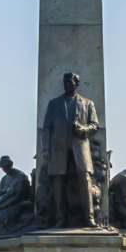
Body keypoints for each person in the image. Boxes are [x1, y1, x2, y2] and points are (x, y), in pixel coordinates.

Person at [37, 71, 102, 228]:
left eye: (70, 82)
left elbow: (95, 125)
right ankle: (60, 219)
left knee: (85, 181)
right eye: (65, 82)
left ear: (76, 84)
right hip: (58, 148)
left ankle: (89, 218)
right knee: (58, 183)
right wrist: (45, 148)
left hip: (80, 147)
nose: (67, 84)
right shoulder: (54, 104)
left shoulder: (87, 103)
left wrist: (83, 129)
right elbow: (46, 128)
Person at [0, 154, 36, 236]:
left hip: (15, 205)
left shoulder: (21, 177)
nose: (4, 169)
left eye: (6, 166)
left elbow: (16, 198)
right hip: (3, 203)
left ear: (11, 165)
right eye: (2, 167)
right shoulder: (4, 178)